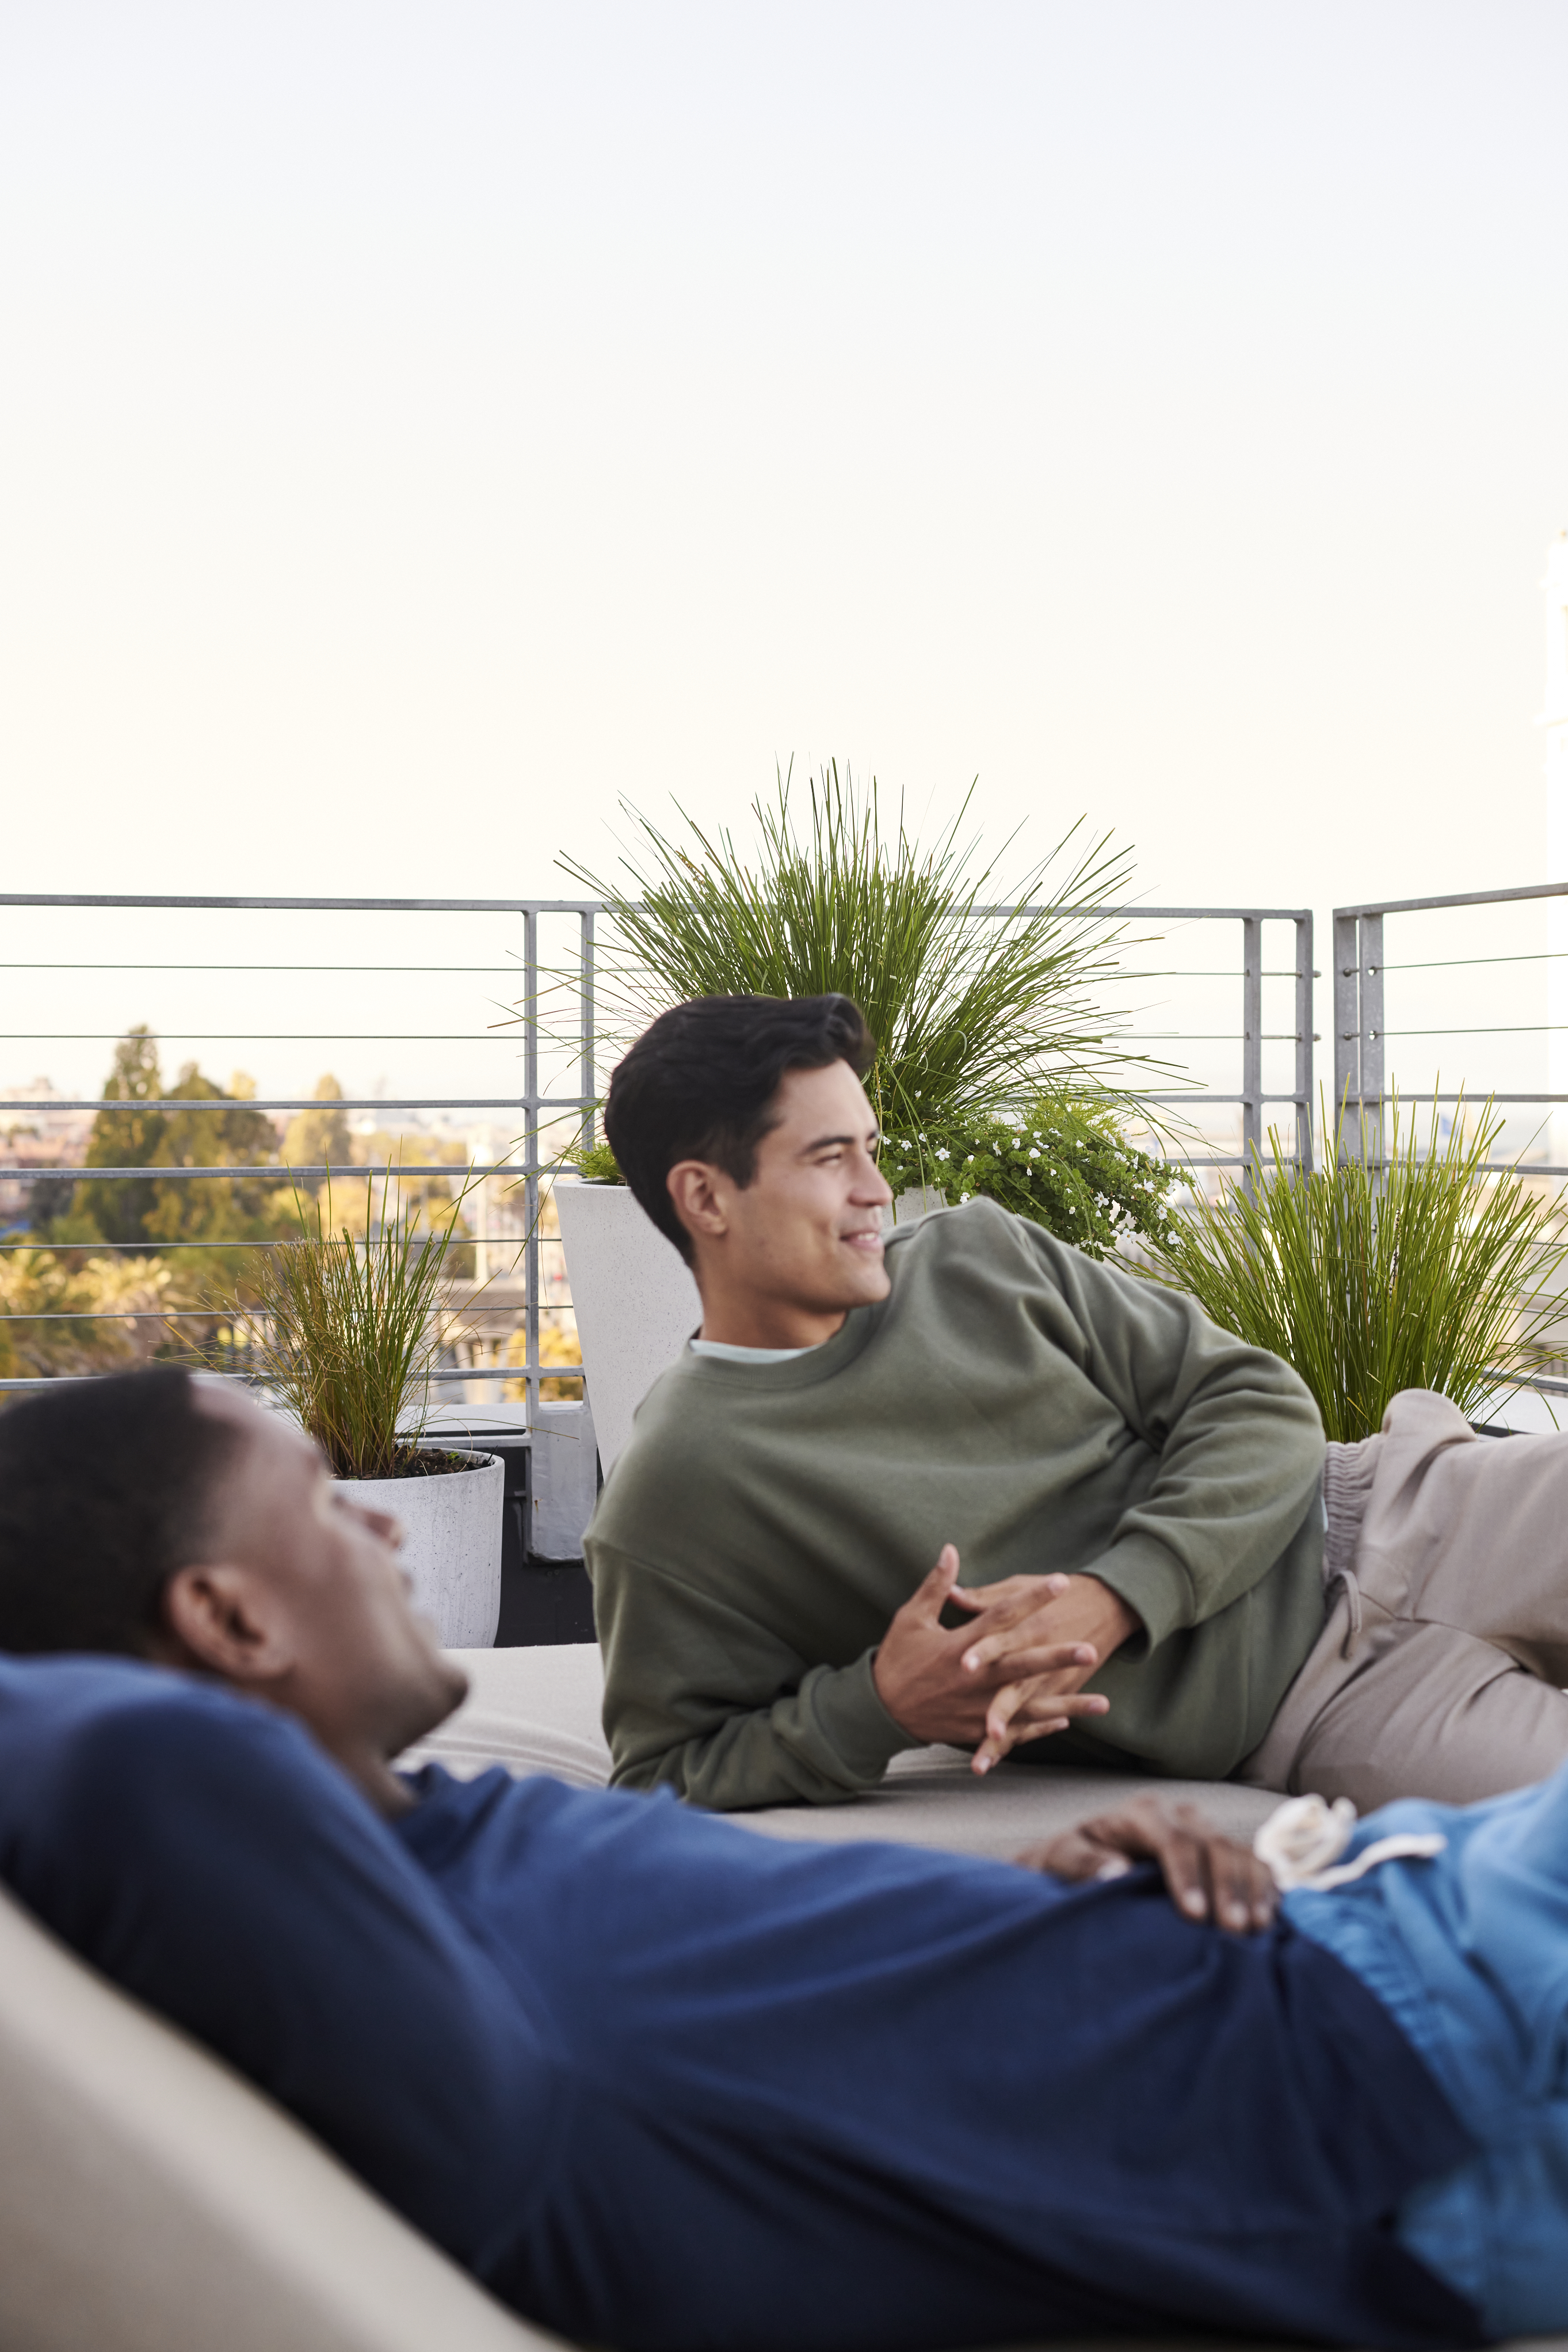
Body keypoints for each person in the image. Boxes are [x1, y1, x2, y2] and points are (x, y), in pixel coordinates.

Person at [3, 1371, 1566, 2349]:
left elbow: (787, 2017)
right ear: (225, 1621)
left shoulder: (456, 1861)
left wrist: (1034, 1892)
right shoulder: (428, 2008)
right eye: (319, 1505)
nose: (390, 1531)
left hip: (1376, 1945)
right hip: (1424, 2053)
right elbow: (144, 1761)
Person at [587, 992, 1568, 1814]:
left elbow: (1254, 1398)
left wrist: (1116, 1599)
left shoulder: (973, 1256)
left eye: (870, 1149)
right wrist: (880, 1703)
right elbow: (664, 1772)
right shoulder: (677, 1495)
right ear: (706, 1200)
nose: (877, 1190)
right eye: (828, 1158)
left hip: (1398, 1505)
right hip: (1312, 1711)